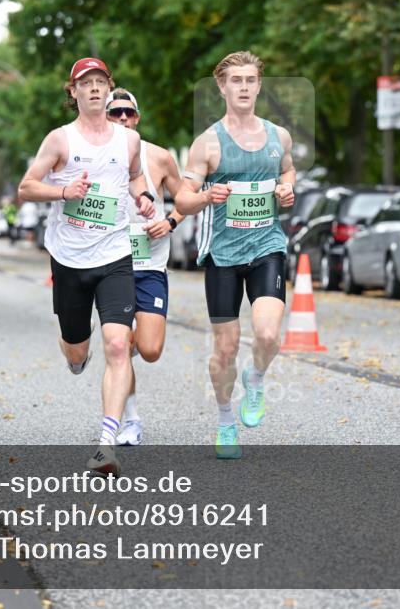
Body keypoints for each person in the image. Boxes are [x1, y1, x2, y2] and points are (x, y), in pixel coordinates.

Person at [17, 57, 154, 475]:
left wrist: (143, 194)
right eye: (85, 83)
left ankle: (106, 443)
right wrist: (63, 193)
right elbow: (26, 187)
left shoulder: (128, 142)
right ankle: (76, 353)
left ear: (109, 88)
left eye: (100, 82)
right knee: (78, 348)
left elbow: (133, 176)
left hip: (115, 254)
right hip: (70, 259)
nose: (93, 89)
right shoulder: (60, 140)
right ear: (73, 92)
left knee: (118, 345)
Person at [175, 51, 295, 459]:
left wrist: (286, 190)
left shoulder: (278, 137)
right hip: (223, 254)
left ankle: (256, 378)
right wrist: (208, 195)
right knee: (225, 349)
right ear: (222, 87)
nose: (244, 87)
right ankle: (226, 419)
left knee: (266, 334)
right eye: (235, 81)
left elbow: (289, 172)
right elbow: (182, 198)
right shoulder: (207, 143)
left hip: (267, 247)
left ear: (260, 85)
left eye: (250, 80)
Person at [105, 88, 186, 446]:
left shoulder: (160, 157)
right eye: (115, 113)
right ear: (105, 117)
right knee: (120, 346)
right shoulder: (93, 158)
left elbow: (188, 200)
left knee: (150, 350)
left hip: (151, 266)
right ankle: (131, 421)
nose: (122, 118)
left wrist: (169, 222)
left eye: (128, 113)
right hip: (111, 265)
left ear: (137, 118)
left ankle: (121, 349)